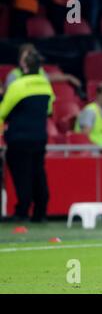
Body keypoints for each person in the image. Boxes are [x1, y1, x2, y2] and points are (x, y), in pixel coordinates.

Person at [0, 50, 55, 222]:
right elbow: (49, 110)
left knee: (21, 176)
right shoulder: (46, 85)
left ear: (24, 66)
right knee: (38, 173)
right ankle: (40, 212)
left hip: (19, 138)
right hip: (39, 137)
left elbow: (3, 112)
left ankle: (22, 211)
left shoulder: (19, 85)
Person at [5, 43, 81, 90]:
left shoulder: (40, 71)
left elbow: (50, 77)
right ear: (19, 60)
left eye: (30, 58)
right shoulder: (13, 76)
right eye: (24, 59)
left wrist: (69, 77)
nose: (26, 62)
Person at [75, 81, 102, 146]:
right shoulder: (90, 111)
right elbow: (84, 137)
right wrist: (98, 148)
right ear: (99, 95)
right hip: (90, 150)